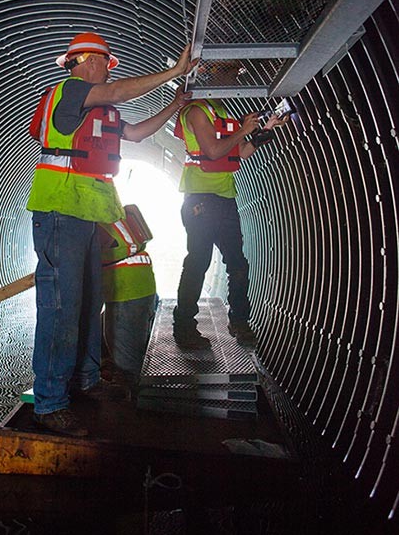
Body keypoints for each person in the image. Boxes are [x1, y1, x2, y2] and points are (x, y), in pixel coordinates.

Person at [27, 31, 195, 435]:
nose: (107, 67)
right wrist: (173, 71)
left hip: (88, 214)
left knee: (89, 304)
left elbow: (136, 135)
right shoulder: (69, 91)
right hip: (60, 209)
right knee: (61, 308)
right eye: (103, 61)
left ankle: (86, 381)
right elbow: (117, 92)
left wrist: (174, 104)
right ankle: (49, 403)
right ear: (82, 61)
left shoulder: (99, 112)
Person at [172, 61, 289, 349]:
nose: (235, 78)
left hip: (225, 198)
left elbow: (238, 156)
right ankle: (184, 326)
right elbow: (212, 152)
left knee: (237, 263)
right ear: (211, 77)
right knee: (198, 261)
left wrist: (261, 133)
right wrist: (243, 130)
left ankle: (240, 321)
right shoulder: (197, 110)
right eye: (230, 72)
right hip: (200, 199)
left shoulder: (221, 112)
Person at [99, 204, 157, 401]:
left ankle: (133, 414)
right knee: (133, 355)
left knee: (126, 367)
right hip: (141, 288)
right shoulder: (112, 211)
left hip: (125, 293)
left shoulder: (90, 220)